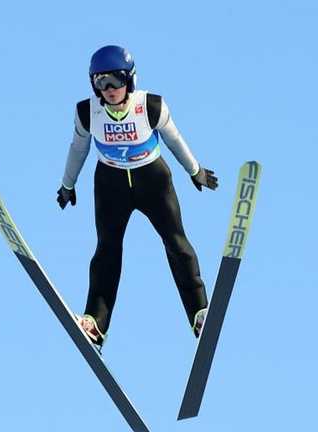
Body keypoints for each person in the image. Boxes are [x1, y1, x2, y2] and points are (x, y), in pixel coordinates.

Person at [57, 45, 218, 352]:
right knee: (106, 250)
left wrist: (194, 171)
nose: (109, 89)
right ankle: (95, 323)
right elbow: (78, 149)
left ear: (129, 80)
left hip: (152, 179)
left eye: (115, 80)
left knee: (176, 242)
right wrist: (68, 184)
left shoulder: (151, 105)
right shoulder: (86, 112)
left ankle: (199, 311)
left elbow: (174, 138)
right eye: (100, 82)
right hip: (110, 183)